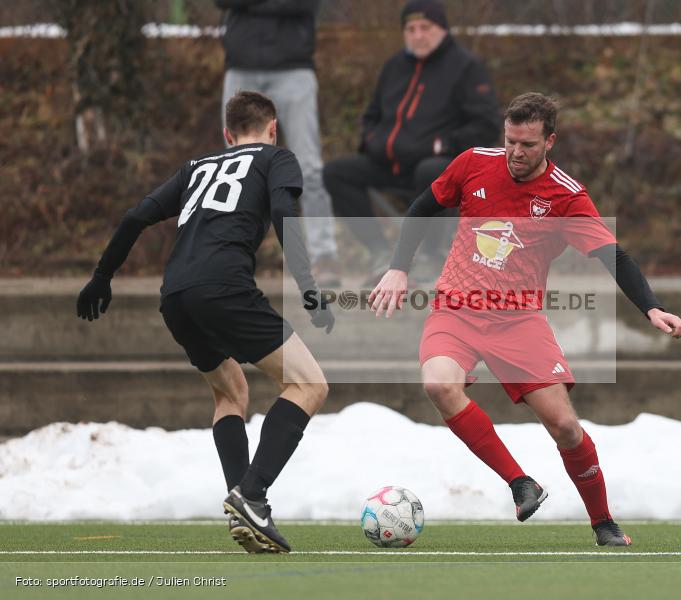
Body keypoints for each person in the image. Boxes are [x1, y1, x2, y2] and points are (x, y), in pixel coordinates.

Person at [370, 92, 681, 546]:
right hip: (456, 309)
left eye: (527, 145)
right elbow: (422, 208)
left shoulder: (566, 196)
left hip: (518, 321)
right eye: (510, 141)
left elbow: (613, 256)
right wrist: (398, 267)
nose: (516, 153)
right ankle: (521, 483)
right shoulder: (473, 163)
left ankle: (603, 523)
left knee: (565, 427)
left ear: (550, 142)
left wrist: (651, 307)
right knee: (439, 385)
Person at [76, 91, 334, 554]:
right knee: (309, 385)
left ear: (226, 135)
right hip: (224, 289)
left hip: (175, 295)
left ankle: (247, 510)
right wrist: (307, 284)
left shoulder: (197, 167)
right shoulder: (277, 158)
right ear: (273, 128)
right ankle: (251, 496)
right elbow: (282, 212)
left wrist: (102, 276)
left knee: (230, 392)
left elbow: (136, 216)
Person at [323, 0, 502, 275]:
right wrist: (371, 141)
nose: (418, 35)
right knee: (336, 172)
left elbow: (487, 125)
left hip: (436, 166)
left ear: (442, 28)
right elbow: (372, 114)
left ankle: (431, 255)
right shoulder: (394, 65)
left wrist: (443, 145)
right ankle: (380, 252)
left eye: (425, 27)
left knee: (432, 172)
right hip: (388, 164)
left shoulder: (466, 66)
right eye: (411, 28)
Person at [216, 0, 339, 286]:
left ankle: (325, 255)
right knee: (235, 169)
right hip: (241, 67)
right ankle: (229, 256)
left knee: (308, 167)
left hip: (293, 68)